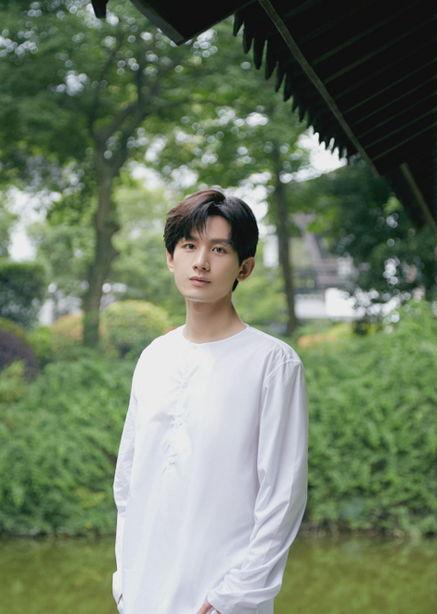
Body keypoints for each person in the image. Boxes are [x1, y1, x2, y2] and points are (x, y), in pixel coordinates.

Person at [112, 188, 309, 614]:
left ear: (245, 267)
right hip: (143, 594)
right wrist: (124, 581)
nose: (201, 262)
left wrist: (232, 597)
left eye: (219, 249)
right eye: (189, 246)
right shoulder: (154, 358)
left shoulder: (272, 363)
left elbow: (283, 495)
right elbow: (128, 482)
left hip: (220, 599)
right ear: (171, 257)